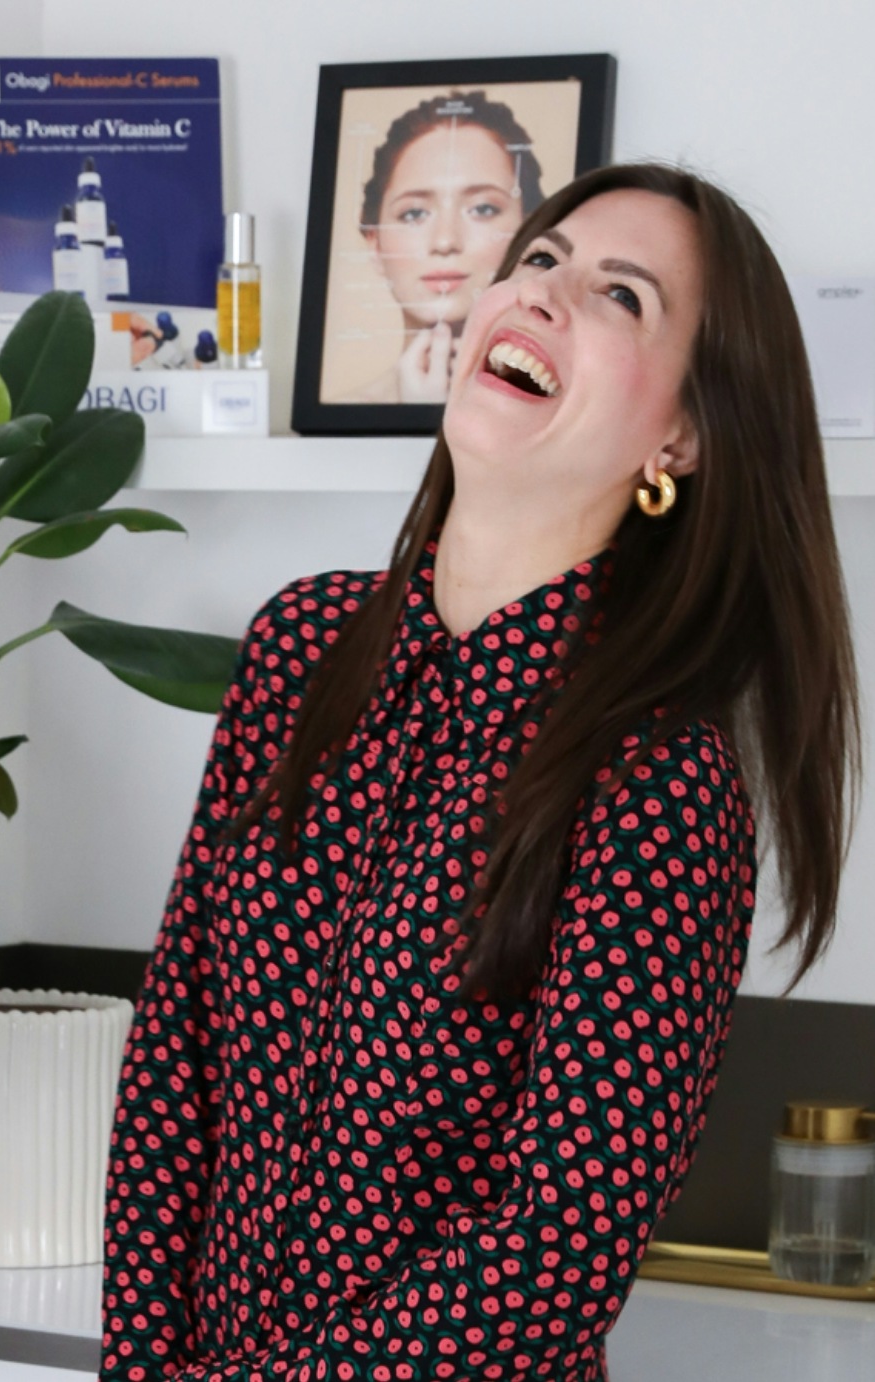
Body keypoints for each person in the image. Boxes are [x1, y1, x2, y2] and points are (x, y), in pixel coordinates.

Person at [101, 163, 858, 1380]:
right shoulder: (300, 646)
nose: (547, 293)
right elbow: (174, 1061)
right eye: (542, 259)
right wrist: (141, 1365)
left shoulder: (657, 779)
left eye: (622, 296)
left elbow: (552, 1251)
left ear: (683, 430)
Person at [341, 91, 545, 404]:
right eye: (414, 213)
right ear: (375, 245)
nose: (445, 241)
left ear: (530, 235)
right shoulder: (342, 419)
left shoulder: (565, 420)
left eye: (483, 209)